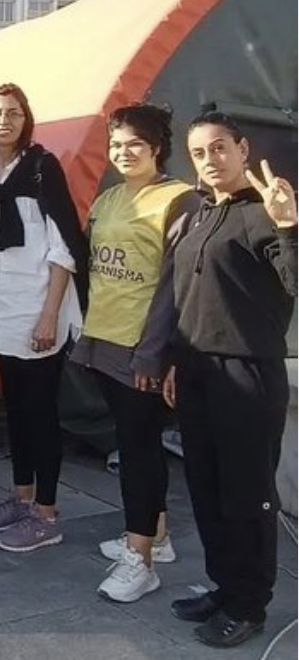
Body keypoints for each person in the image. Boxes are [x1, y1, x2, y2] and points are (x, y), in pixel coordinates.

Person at [155, 111, 294, 649]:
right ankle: (224, 587)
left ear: (241, 149)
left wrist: (289, 225)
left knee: (247, 495)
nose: (210, 161)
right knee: (207, 491)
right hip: (195, 371)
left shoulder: (264, 214)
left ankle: (249, 603)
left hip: (246, 375)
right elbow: (187, 299)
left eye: (218, 149)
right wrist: (173, 360)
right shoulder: (201, 214)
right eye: (198, 153)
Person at [69, 104, 196, 603]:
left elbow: (175, 284)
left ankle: (139, 559)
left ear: (157, 148)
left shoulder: (179, 199)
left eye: (134, 145)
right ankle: (155, 537)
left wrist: (155, 353)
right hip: (105, 337)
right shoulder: (108, 198)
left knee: (138, 450)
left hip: (143, 345)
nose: (123, 153)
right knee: (137, 443)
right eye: (116, 144)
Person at [0, 83, 87, 554]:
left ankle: (47, 512)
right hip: (3, 305)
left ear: (26, 118)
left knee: (40, 414)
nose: (4, 121)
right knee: (14, 409)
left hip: (40, 306)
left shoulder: (41, 167)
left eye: (13, 113)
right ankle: (21, 497)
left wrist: (50, 315)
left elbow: (63, 245)